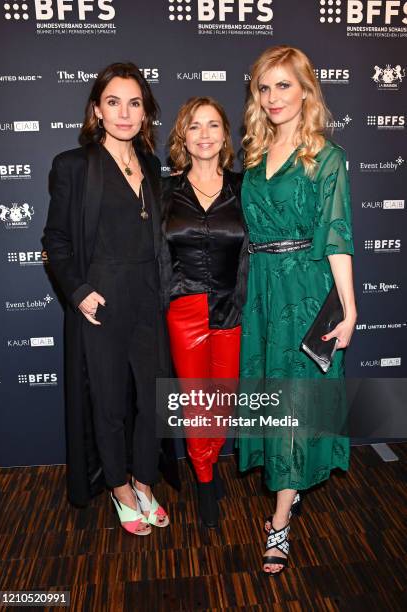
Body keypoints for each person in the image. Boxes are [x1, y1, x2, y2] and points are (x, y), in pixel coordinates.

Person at [238, 46, 357, 574]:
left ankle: (281, 521)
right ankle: (289, 492)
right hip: (263, 294)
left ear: (306, 90)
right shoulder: (255, 154)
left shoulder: (326, 157)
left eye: (284, 85)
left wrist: (348, 309)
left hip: (305, 293)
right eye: (264, 87)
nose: (273, 98)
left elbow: (336, 236)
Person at [43, 62, 171, 535]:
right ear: (97, 110)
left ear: (145, 112)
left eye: (134, 103)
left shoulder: (154, 167)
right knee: (111, 402)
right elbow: (55, 241)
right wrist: (78, 293)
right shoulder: (73, 166)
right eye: (113, 102)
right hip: (102, 300)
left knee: (153, 400)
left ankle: (144, 479)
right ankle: (119, 486)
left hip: (149, 296)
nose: (124, 112)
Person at [161, 97, 248, 528]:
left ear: (225, 135)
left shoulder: (244, 186)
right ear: (183, 136)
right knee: (198, 402)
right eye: (194, 126)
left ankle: (209, 462)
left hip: (232, 306)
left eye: (213, 125)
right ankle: (204, 476)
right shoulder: (165, 192)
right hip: (186, 308)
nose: (204, 135)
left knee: (223, 400)